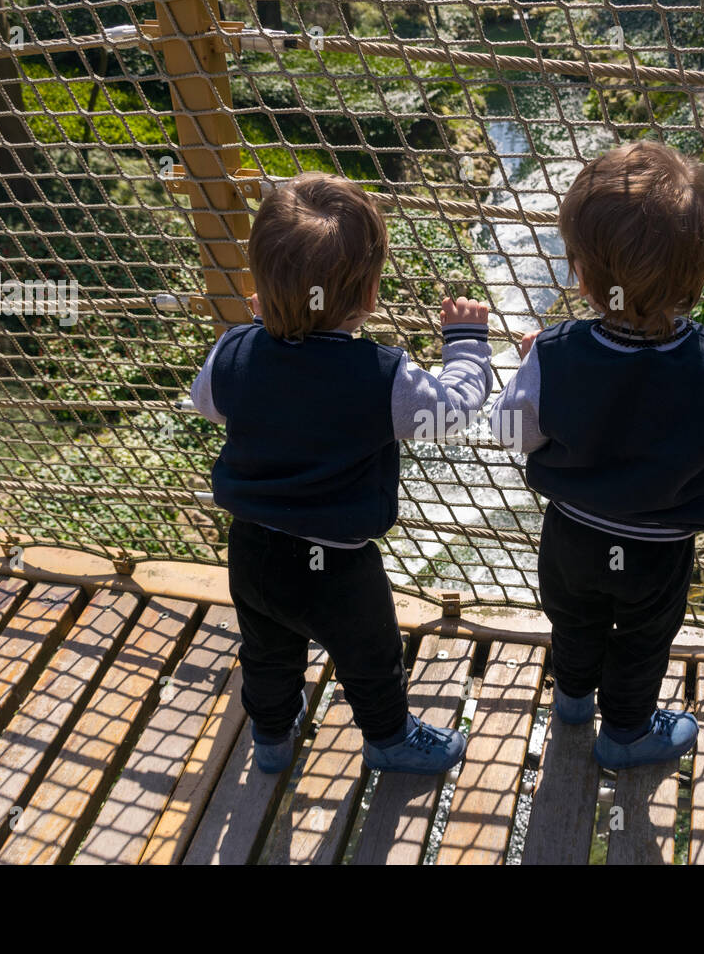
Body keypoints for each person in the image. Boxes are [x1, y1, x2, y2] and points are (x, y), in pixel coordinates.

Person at [490, 141, 704, 769]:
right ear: (699, 275)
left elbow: (511, 433)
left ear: (581, 274)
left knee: (572, 619)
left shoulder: (555, 353)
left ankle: (573, 699)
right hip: (657, 550)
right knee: (640, 640)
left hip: (572, 536)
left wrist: (535, 364)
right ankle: (626, 732)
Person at [190, 172, 493, 774]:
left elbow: (208, 400)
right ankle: (387, 738)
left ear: (261, 285)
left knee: (268, 651)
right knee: (371, 655)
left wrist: (258, 329)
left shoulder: (235, 351)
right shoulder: (381, 378)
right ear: (372, 293)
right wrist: (464, 344)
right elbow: (455, 410)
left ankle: (272, 739)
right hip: (337, 566)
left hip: (252, 549)